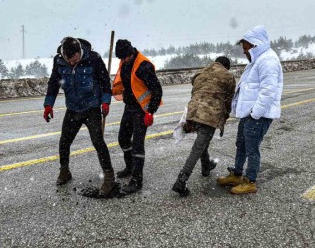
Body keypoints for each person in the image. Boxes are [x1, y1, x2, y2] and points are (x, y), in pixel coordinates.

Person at [43, 37, 117, 197]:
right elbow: (54, 83)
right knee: (64, 141)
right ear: (63, 54)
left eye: (74, 59)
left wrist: (105, 101)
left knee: (98, 141)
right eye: (69, 60)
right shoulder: (59, 61)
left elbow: (105, 82)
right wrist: (48, 104)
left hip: (92, 108)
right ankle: (64, 171)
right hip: (73, 108)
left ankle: (109, 176)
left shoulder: (93, 58)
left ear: (79, 52)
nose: (71, 63)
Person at [217, 25, 283, 194]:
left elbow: (268, 91)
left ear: (255, 44)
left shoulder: (267, 60)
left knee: (252, 148)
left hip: (257, 115)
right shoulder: (256, 61)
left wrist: (255, 114)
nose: (244, 51)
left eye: (245, 47)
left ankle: (250, 181)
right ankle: (237, 174)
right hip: (249, 114)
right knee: (241, 144)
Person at [172, 56, 236, 196]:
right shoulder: (228, 76)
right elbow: (228, 100)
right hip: (209, 114)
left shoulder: (200, 72)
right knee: (197, 148)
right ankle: (181, 181)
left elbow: (195, 89)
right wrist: (225, 114)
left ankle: (206, 166)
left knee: (202, 141)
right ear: (227, 67)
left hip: (193, 110)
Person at [112, 39, 163, 194]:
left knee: (138, 145)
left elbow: (157, 90)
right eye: (120, 58)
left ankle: (137, 180)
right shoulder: (125, 62)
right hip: (129, 107)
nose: (123, 60)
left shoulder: (143, 66)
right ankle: (129, 167)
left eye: (125, 57)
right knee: (123, 138)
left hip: (142, 110)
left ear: (131, 53)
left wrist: (150, 111)